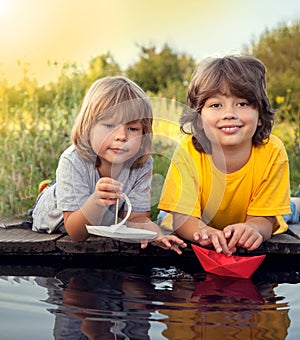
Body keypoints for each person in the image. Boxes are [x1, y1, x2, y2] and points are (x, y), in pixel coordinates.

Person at [31, 76, 186, 254]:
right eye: (110, 125)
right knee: (58, 197)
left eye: (133, 128)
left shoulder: (141, 164)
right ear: (88, 128)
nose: (122, 136)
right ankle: (50, 190)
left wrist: (156, 234)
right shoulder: (73, 160)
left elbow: (137, 218)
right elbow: (76, 233)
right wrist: (96, 202)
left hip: (103, 216)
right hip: (57, 218)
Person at [158, 55, 291, 256]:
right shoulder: (188, 150)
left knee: (288, 211)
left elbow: (264, 221)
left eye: (243, 103)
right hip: (194, 216)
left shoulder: (272, 151)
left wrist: (253, 229)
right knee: (164, 217)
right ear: (199, 118)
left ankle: (293, 203)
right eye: (216, 105)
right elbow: (183, 221)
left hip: (257, 211)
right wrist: (206, 233)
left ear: (261, 116)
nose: (229, 113)